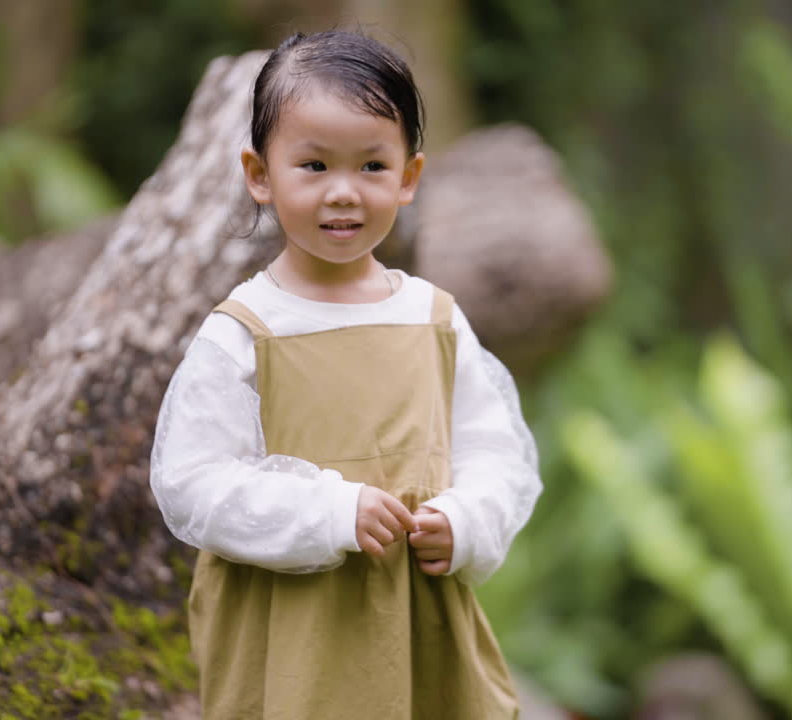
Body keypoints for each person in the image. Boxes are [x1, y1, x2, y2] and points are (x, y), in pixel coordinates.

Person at [150, 29, 541, 719]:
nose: (343, 193)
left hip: (418, 632)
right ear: (259, 174)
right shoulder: (244, 332)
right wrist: (329, 512)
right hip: (294, 632)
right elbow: (192, 483)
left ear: (409, 178)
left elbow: (497, 452)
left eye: (370, 167)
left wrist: (464, 517)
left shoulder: (433, 320)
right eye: (313, 165)